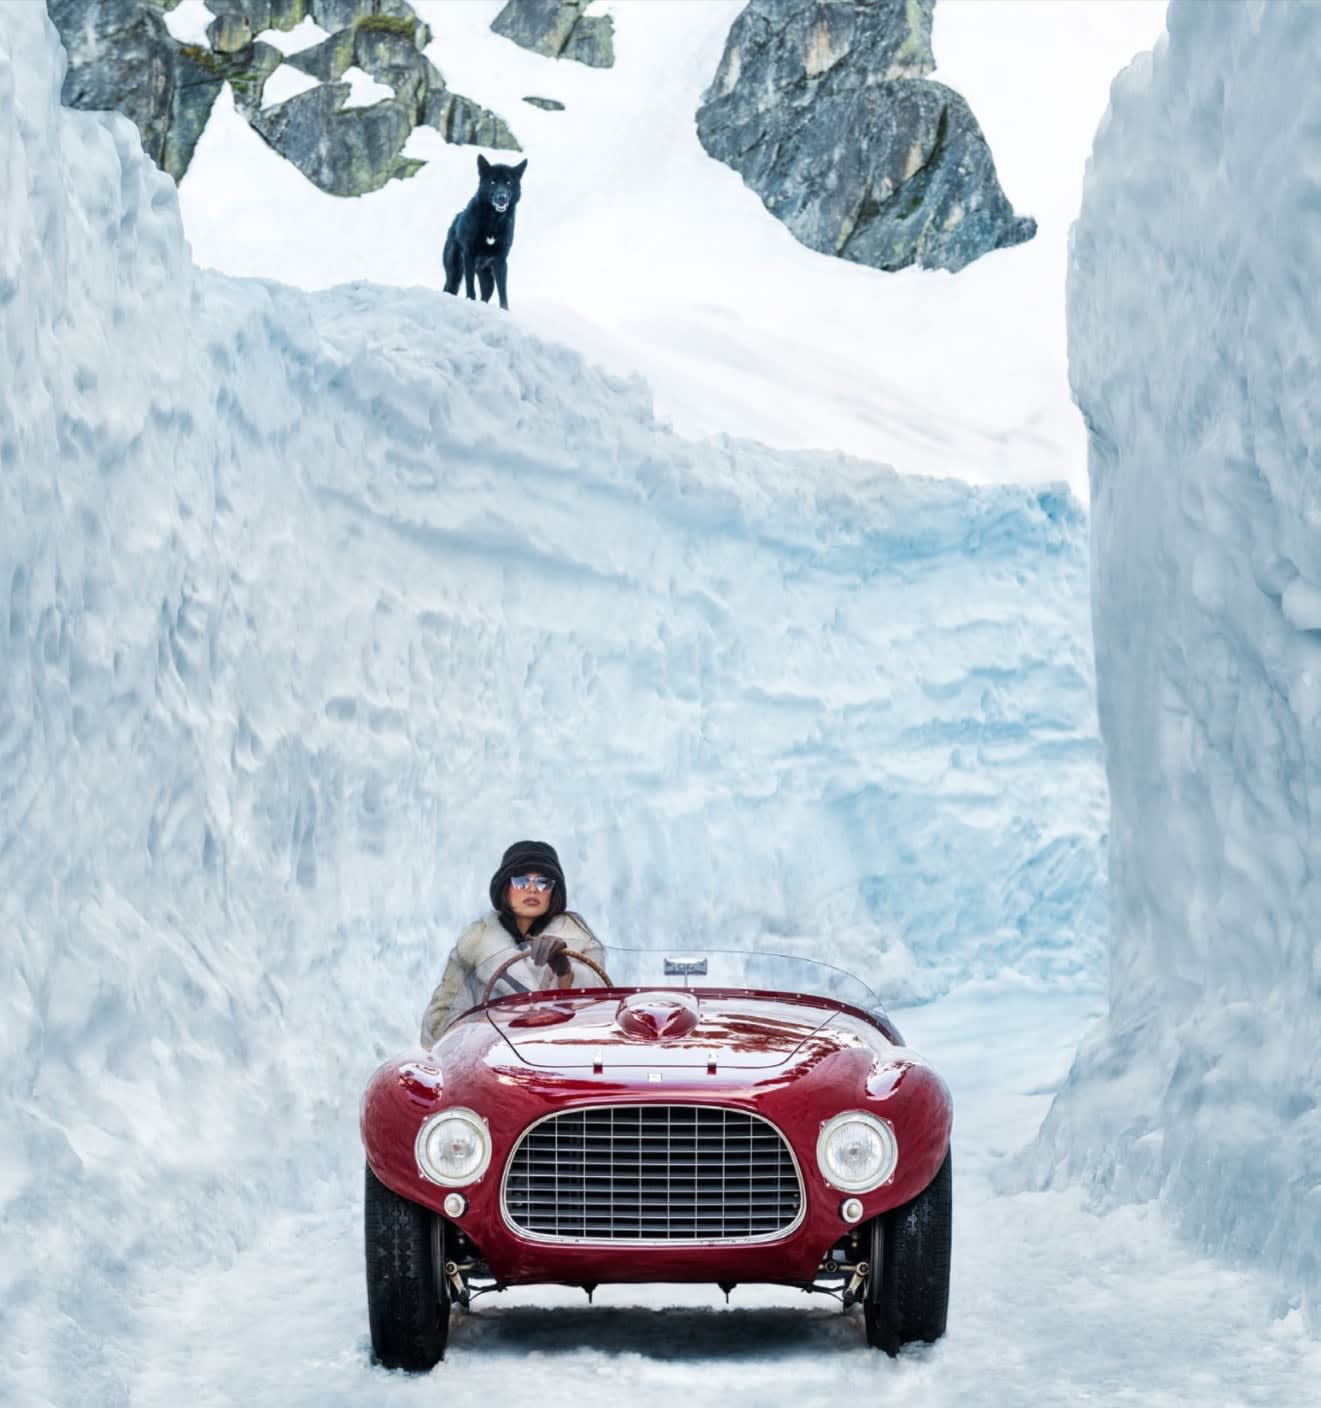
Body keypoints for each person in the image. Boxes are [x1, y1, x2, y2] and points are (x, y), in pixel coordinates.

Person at [420, 840, 605, 1045]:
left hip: (558, 1061)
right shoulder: (474, 945)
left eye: (544, 882)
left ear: (554, 892)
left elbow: (595, 1019)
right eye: (521, 881)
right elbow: (440, 1022)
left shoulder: (581, 943)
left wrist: (565, 973)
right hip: (492, 1062)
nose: (533, 889)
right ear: (505, 887)